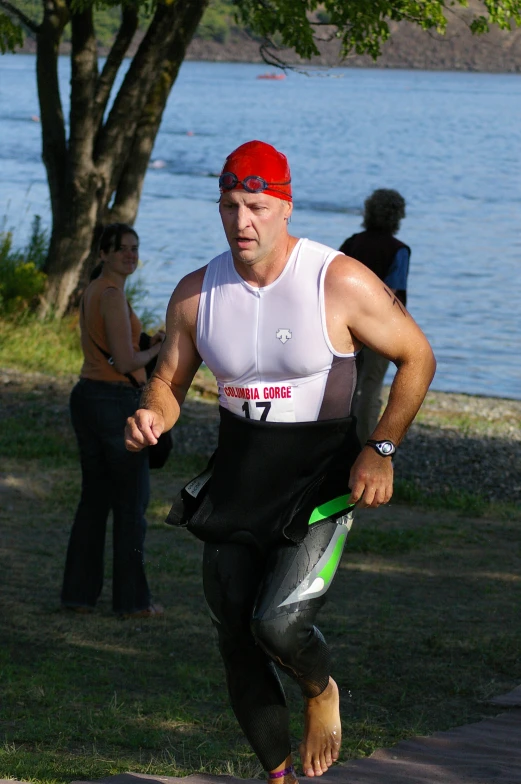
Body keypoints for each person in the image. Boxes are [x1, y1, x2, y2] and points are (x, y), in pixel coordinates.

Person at [125, 142, 436, 780]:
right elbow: (169, 382)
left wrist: (381, 450)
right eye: (231, 205)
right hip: (239, 481)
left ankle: (321, 691)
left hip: (318, 482)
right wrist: (153, 412)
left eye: (257, 207)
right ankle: (277, 775)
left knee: (279, 627)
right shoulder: (195, 295)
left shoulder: (337, 280)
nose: (242, 221)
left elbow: (418, 355)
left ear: (285, 208)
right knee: (235, 639)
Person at [61, 223, 164, 618]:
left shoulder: (94, 290)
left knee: (94, 501)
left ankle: (78, 594)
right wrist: (162, 348)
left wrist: (149, 347)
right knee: (131, 505)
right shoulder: (111, 293)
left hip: (87, 395)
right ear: (103, 253)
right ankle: (133, 601)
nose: (130, 255)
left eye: (135, 248)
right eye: (121, 248)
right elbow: (125, 362)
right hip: (112, 401)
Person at [339, 189, 411, 445]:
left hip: (346, 324)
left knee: (346, 385)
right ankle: (366, 448)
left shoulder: (353, 242)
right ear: (397, 217)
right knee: (370, 386)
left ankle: (340, 442)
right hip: (381, 328)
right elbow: (392, 292)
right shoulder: (399, 250)